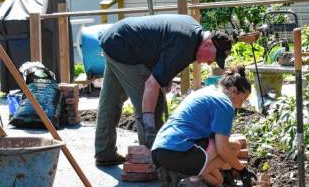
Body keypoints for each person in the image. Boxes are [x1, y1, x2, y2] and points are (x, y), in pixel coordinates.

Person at [94, 14, 233, 166]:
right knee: (152, 106)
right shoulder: (185, 45)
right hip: (126, 48)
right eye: (213, 57)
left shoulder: (192, 32)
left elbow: (162, 56)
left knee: (111, 100)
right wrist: (149, 126)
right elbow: (151, 85)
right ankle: (153, 160)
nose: (209, 63)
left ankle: (104, 151)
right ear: (207, 44)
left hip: (115, 38)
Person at [151, 67, 252, 187]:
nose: (241, 106)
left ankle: (176, 173)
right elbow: (222, 148)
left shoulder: (207, 91)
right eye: (243, 100)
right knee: (234, 146)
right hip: (178, 151)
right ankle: (191, 181)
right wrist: (242, 170)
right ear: (233, 91)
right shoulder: (224, 104)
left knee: (217, 181)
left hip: (159, 151)